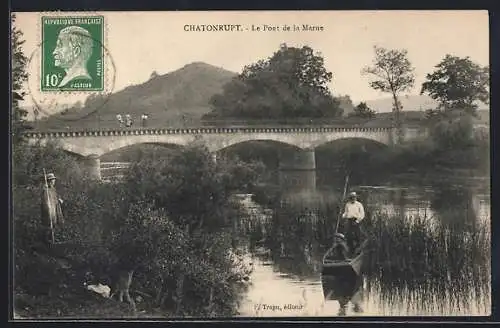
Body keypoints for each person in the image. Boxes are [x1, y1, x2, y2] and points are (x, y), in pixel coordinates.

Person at [40, 173, 64, 244]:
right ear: (48, 181)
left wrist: (59, 199)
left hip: (55, 208)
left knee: (54, 223)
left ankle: (52, 239)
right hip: (49, 209)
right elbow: (45, 201)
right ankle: (45, 240)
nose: (53, 182)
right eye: (52, 181)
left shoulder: (53, 189)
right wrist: (48, 208)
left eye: (54, 180)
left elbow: (55, 196)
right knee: (48, 224)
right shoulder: (45, 190)